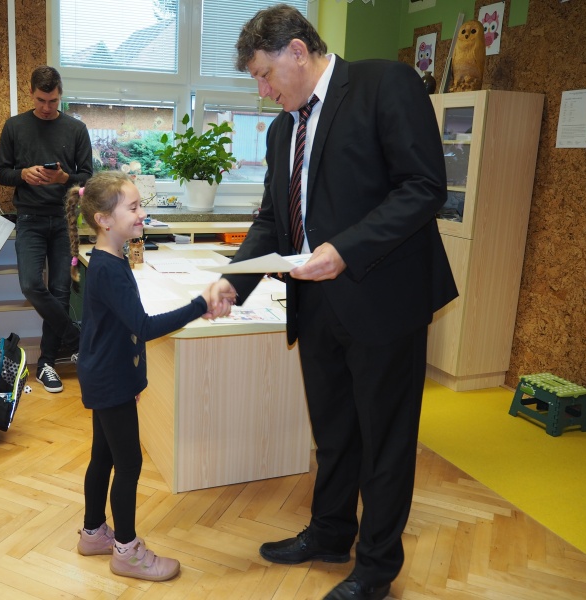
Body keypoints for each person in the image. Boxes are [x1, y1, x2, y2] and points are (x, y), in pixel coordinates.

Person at [208, 6, 458, 600]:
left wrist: (346, 249)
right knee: (334, 431)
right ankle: (329, 533)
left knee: (385, 440)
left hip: (383, 302)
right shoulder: (281, 131)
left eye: (265, 75)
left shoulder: (383, 85)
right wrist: (233, 280)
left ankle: (376, 568)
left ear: (298, 51)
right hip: (315, 305)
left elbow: (424, 187)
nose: (263, 91)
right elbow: (273, 220)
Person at [65, 171, 233, 582]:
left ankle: (93, 533)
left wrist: (133, 376)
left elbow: (120, 328)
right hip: (110, 379)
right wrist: (200, 304)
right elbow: (142, 325)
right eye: (134, 207)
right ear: (104, 220)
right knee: (129, 464)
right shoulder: (108, 267)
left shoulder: (109, 258)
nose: (142, 213)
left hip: (105, 373)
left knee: (103, 455)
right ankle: (126, 551)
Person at [0, 65, 91, 395]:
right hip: (30, 219)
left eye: (53, 101)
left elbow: (87, 177)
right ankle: (76, 338)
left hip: (65, 220)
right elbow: (2, 173)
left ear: (60, 95)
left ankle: (47, 363)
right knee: (31, 285)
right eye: (40, 100)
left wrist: (65, 178)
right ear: (31, 93)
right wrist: (23, 174)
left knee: (61, 292)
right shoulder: (14, 126)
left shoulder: (76, 129)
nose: (47, 107)